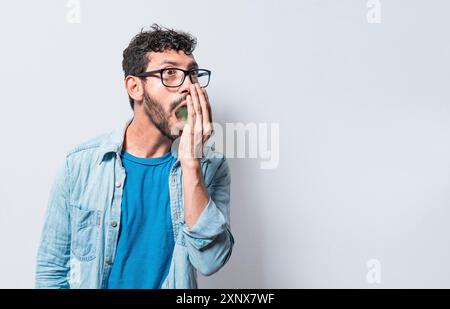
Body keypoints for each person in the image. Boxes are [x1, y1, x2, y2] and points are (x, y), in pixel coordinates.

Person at [35, 24, 233, 289]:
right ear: (135, 87)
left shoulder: (211, 167)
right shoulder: (80, 166)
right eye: (170, 73)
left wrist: (191, 162)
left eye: (193, 74)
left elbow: (211, 261)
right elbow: (51, 272)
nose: (189, 86)